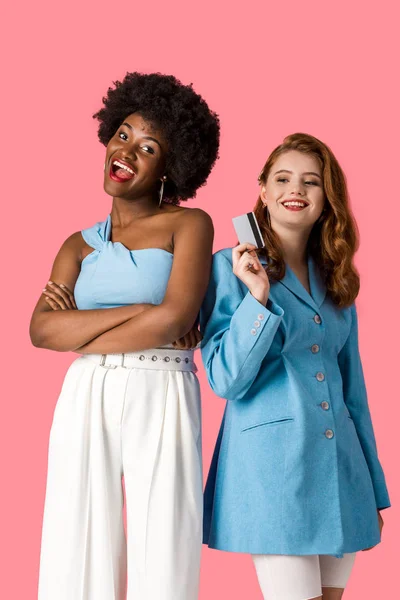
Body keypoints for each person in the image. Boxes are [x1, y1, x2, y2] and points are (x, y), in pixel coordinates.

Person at [30, 71, 220, 600]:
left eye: (149, 146)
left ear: (170, 167)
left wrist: (81, 331)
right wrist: (142, 308)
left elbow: (176, 320)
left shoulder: (190, 225)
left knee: (164, 537)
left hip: (160, 386)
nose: (128, 151)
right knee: (75, 531)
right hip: (85, 390)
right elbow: (42, 330)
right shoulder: (77, 243)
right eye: (123, 135)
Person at [199, 133, 390, 600]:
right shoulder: (228, 268)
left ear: (327, 200)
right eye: (283, 178)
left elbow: (354, 392)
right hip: (275, 475)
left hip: (341, 474)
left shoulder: (337, 279)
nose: (296, 189)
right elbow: (225, 378)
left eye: (311, 182)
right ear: (263, 191)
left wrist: (374, 487)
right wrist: (258, 297)